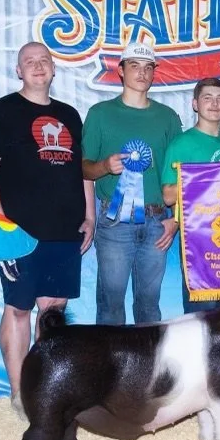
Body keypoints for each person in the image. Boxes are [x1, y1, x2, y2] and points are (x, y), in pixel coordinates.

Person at [0, 42, 95, 419]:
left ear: (54, 69)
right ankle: (19, 393)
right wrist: (0, 227)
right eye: (30, 62)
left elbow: (83, 171)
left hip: (64, 232)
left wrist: (90, 214)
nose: (38, 67)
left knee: (54, 311)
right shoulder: (0, 112)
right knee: (18, 309)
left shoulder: (70, 115)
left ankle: (49, 388)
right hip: (20, 234)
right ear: (18, 71)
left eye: (44, 61)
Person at [82, 42, 182, 325]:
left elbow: (181, 174)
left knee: (150, 305)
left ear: (154, 74)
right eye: (135, 66)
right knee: (111, 305)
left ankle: (148, 369)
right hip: (114, 221)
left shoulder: (168, 118)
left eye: (148, 67)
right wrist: (104, 166)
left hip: (157, 222)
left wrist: (176, 219)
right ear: (121, 71)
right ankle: (110, 369)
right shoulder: (100, 113)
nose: (142, 72)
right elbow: (84, 168)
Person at [160, 77, 220, 314]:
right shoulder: (181, 144)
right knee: (202, 312)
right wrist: (210, 180)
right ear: (195, 104)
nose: (215, 104)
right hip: (198, 239)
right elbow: (168, 195)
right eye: (208, 98)